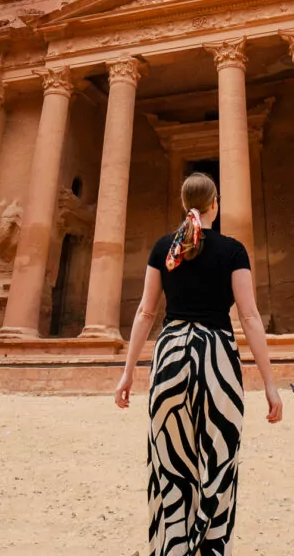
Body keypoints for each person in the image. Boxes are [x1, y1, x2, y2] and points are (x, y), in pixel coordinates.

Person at [115, 171, 283, 556]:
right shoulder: (234, 251)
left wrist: (127, 374)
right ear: (215, 205)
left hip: (171, 354)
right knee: (219, 463)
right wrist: (270, 383)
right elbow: (249, 316)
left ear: (184, 204)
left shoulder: (164, 249)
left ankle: (173, 548)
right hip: (217, 357)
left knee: (170, 465)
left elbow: (145, 312)